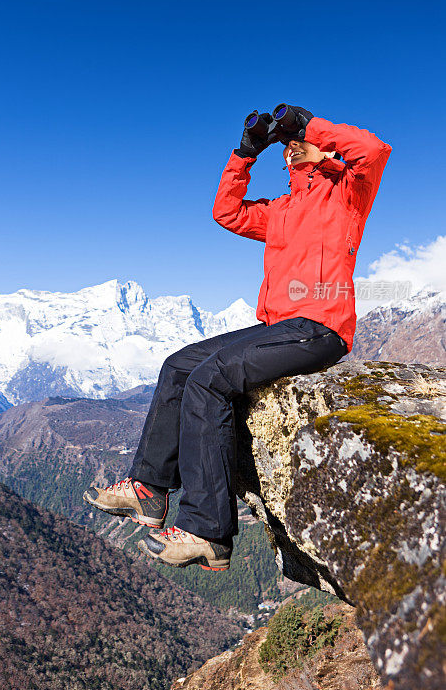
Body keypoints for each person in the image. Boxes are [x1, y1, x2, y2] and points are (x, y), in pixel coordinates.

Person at [84, 105, 392, 572]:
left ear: (321, 149)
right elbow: (225, 211)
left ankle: (207, 530)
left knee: (211, 380)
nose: (288, 152)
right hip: (278, 325)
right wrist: (245, 154)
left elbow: (372, 148)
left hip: (320, 327)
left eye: (295, 145)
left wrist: (308, 128)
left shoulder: (346, 193)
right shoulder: (281, 210)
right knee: (179, 365)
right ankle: (148, 489)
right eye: (284, 148)